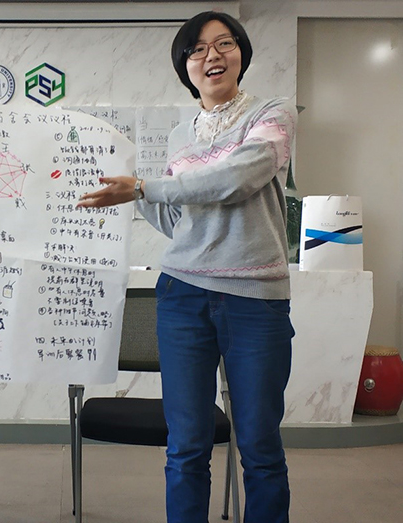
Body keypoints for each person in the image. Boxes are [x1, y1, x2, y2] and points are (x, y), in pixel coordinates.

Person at [77, 11, 296, 523]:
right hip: (182, 295)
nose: (211, 56)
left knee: (259, 445)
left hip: (255, 300)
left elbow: (237, 178)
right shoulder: (180, 135)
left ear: (241, 53)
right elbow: (181, 220)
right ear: (185, 66)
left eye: (224, 44)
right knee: (186, 445)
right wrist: (132, 193)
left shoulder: (271, 114)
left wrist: (146, 187)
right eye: (197, 49)